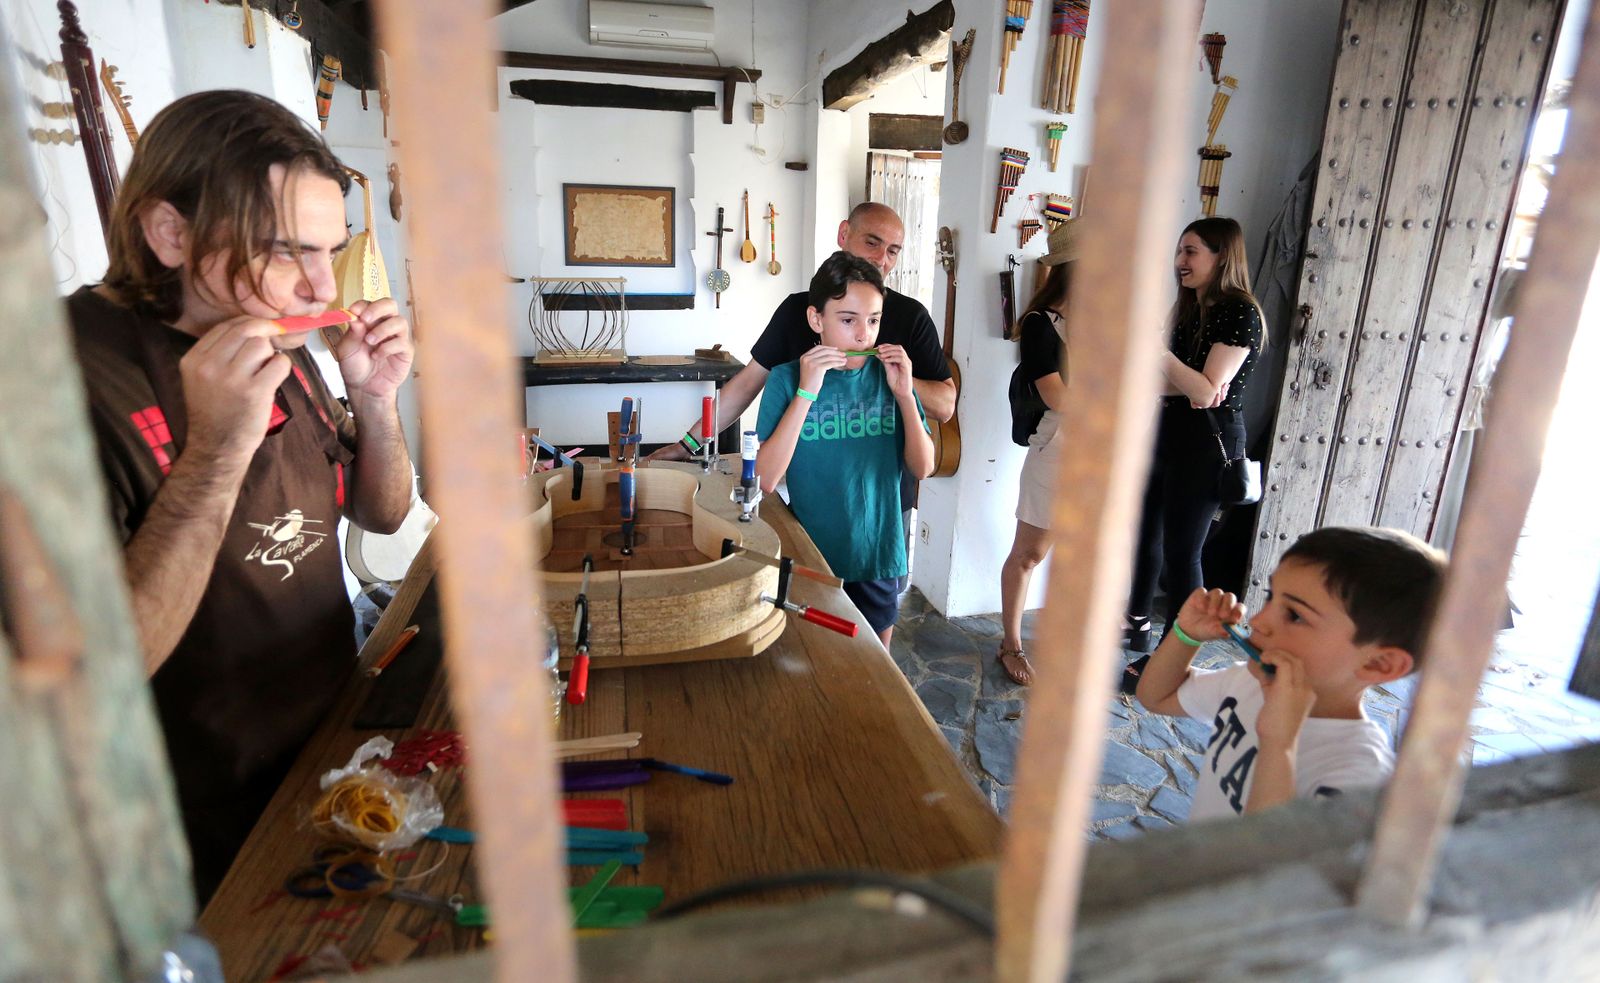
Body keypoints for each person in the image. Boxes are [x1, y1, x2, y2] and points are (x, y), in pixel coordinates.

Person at [67, 90, 415, 902]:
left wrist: (375, 398)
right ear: (170, 233)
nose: (321, 287)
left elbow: (383, 513)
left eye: (332, 251)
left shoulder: (266, 332)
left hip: (320, 765)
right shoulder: (59, 381)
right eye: (288, 250)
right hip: (182, 837)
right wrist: (218, 450)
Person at [1134, 526, 1446, 820]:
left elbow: (1271, 853)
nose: (1257, 621)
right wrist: (1186, 635)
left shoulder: (1360, 779)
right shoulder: (1248, 683)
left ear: (1379, 664)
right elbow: (1157, 697)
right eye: (1271, 596)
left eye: (1295, 615)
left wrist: (1280, 741)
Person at [754, 252, 934, 647]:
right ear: (816, 319)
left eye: (873, 321)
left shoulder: (891, 380)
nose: (863, 336)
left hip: (878, 554)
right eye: (848, 320)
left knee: (876, 668)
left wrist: (906, 396)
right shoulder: (786, 379)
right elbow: (764, 479)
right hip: (811, 559)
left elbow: (923, 467)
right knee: (817, 664)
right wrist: (806, 392)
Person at [1122, 217, 1267, 693]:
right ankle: (1136, 623)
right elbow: (1175, 385)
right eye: (1179, 251)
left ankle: (1171, 657)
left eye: (1191, 252)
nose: (1180, 262)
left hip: (1207, 444)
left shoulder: (1239, 312)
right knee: (1144, 535)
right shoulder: (1188, 307)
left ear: (1222, 256)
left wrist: (1159, 353)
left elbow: (1204, 394)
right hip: (1166, 432)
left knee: (1183, 554)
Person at [995, 220, 1078, 686]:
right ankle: (1011, 644)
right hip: (1060, 447)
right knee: (1030, 553)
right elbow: (1057, 396)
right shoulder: (1040, 324)